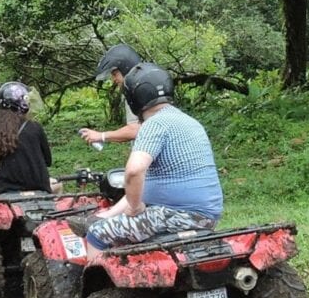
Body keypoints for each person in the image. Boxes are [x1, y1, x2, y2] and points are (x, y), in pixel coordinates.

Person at [84, 64, 224, 249]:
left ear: (134, 98)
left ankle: (94, 279)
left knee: (97, 233)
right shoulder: (190, 121)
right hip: (207, 216)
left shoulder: (154, 124)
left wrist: (134, 208)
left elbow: (134, 171)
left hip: (176, 216)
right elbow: (146, 180)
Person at [78, 42, 143, 150]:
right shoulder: (141, 86)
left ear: (126, 68)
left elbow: (135, 130)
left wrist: (101, 136)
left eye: (115, 74)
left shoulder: (136, 92)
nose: (113, 79)